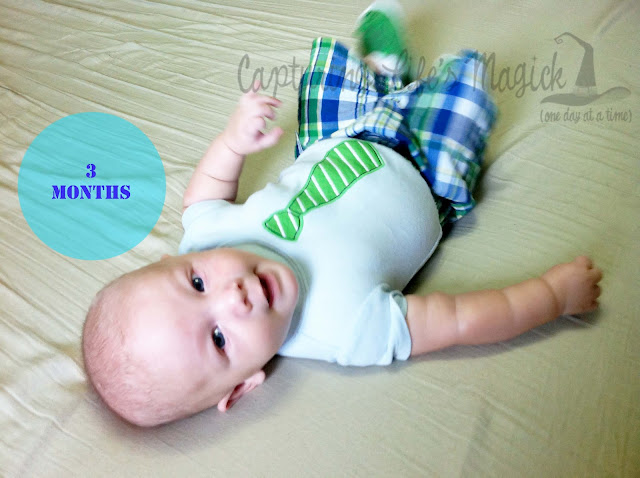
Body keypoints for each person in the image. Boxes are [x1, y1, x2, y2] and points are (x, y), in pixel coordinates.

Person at [82, 1, 602, 427]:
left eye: (196, 283)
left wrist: (233, 142)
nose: (230, 296)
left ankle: (383, 72)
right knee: (461, 104)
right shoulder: (346, 329)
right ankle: (411, 90)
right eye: (219, 339)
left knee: (324, 90)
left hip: (337, 139)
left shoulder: (207, 239)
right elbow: (459, 319)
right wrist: (552, 298)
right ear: (243, 385)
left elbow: (204, 195)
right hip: (423, 171)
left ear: (179, 261)